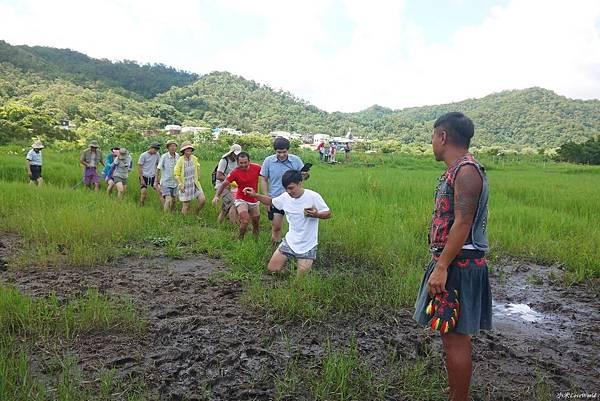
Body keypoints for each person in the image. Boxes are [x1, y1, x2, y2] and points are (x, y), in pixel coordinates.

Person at [413, 112, 491, 401]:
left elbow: (463, 223)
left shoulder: (467, 171)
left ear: (443, 137)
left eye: (433, 136)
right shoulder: (458, 170)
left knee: (456, 339)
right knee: (451, 334)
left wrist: (442, 266)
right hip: (454, 262)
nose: (432, 142)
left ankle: (460, 398)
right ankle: (458, 389)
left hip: (459, 264)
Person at [244, 170, 331, 278]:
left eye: (291, 188)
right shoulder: (285, 197)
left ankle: (300, 273)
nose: (289, 191)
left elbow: (328, 213)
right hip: (290, 241)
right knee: (272, 270)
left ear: (300, 183)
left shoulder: (313, 196)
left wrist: (317, 214)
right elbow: (271, 201)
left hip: (308, 245)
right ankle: (288, 274)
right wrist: (254, 195)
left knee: (300, 280)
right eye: (286, 188)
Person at [260, 137, 306, 246]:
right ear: (275, 151)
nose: (281, 155)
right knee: (276, 226)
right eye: (279, 152)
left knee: (297, 227)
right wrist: (266, 197)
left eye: (284, 152)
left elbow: (303, 177)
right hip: (276, 198)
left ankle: (295, 247)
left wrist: (305, 175)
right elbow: (264, 179)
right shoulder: (268, 161)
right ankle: (276, 247)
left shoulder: (296, 160)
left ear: (288, 150)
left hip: (294, 198)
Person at [212, 152, 261, 240]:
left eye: (245, 162)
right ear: (237, 163)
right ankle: (240, 239)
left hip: (254, 199)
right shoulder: (235, 172)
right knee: (245, 220)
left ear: (249, 161)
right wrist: (217, 196)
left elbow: (267, 176)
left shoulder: (257, 168)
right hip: (241, 199)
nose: (243, 165)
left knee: (256, 221)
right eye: (241, 163)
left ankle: (255, 239)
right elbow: (224, 184)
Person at [174, 141, 205, 215]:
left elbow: (198, 167)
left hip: (194, 183)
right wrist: (180, 184)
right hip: (185, 185)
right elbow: (176, 174)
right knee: (186, 205)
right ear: (183, 150)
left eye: (190, 149)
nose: (189, 150)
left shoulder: (194, 158)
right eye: (187, 149)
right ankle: (183, 222)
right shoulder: (180, 160)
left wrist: (198, 175)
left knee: (202, 200)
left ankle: (196, 212)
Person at [215, 144, 242, 224]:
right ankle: (233, 224)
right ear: (231, 153)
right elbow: (219, 176)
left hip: (233, 186)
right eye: (235, 154)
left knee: (233, 205)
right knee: (230, 205)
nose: (236, 156)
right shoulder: (224, 161)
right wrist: (230, 180)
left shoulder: (237, 161)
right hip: (222, 186)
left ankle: (227, 223)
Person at [156, 140, 179, 212]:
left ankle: (172, 212)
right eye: (171, 146)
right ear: (168, 148)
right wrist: (156, 181)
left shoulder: (178, 156)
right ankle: (166, 216)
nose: (173, 148)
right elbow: (158, 169)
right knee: (168, 199)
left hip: (175, 182)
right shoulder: (164, 156)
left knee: (174, 200)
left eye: (174, 146)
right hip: (166, 182)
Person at [138, 142, 161, 206]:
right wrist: (141, 179)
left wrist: (158, 177)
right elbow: (139, 167)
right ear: (151, 148)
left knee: (159, 190)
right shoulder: (143, 155)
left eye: (157, 150)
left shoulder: (157, 154)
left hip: (153, 176)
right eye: (155, 149)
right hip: (144, 176)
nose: (156, 151)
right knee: (144, 192)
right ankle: (141, 204)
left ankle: (164, 206)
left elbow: (158, 165)